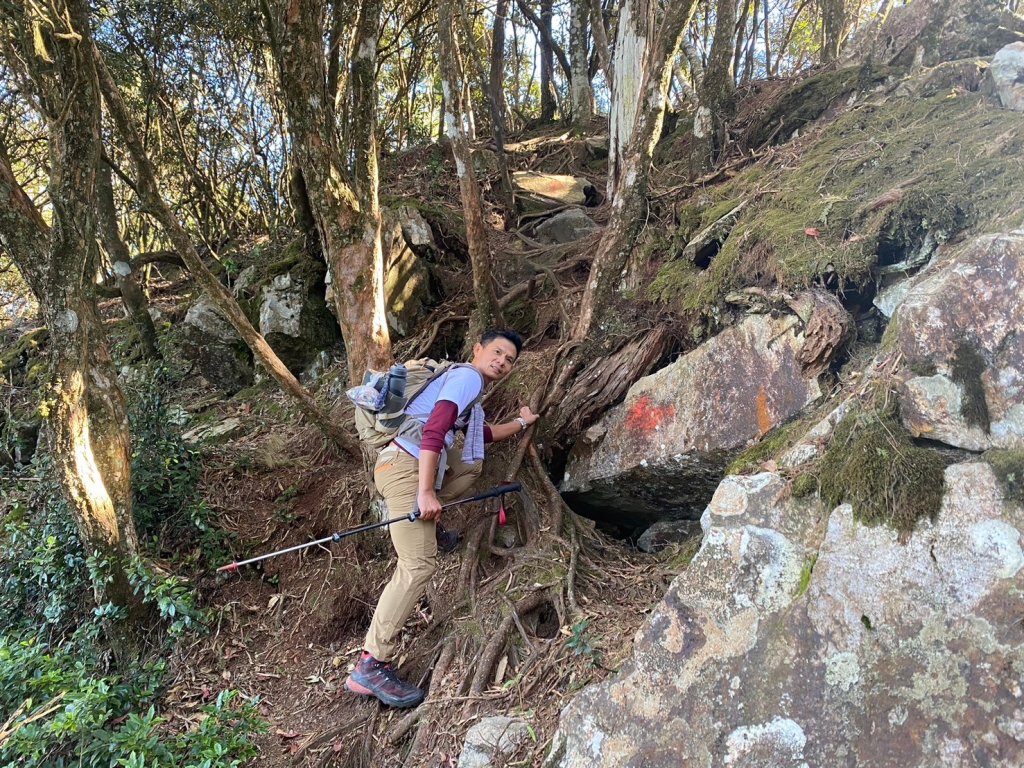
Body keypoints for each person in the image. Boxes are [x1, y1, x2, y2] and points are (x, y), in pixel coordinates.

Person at [345, 329, 539, 707]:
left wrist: (521, 422)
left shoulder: (467, 389)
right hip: (406, 469)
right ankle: (372, 663)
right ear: (477, 349)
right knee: (418, 565)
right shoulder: (467, 377)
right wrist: (425, 492)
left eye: (509, 359)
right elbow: (435, 428)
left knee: (470, 462)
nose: (501, 361)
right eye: (497, 352)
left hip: (403, 465)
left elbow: (480, 436)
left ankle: (427, 525)